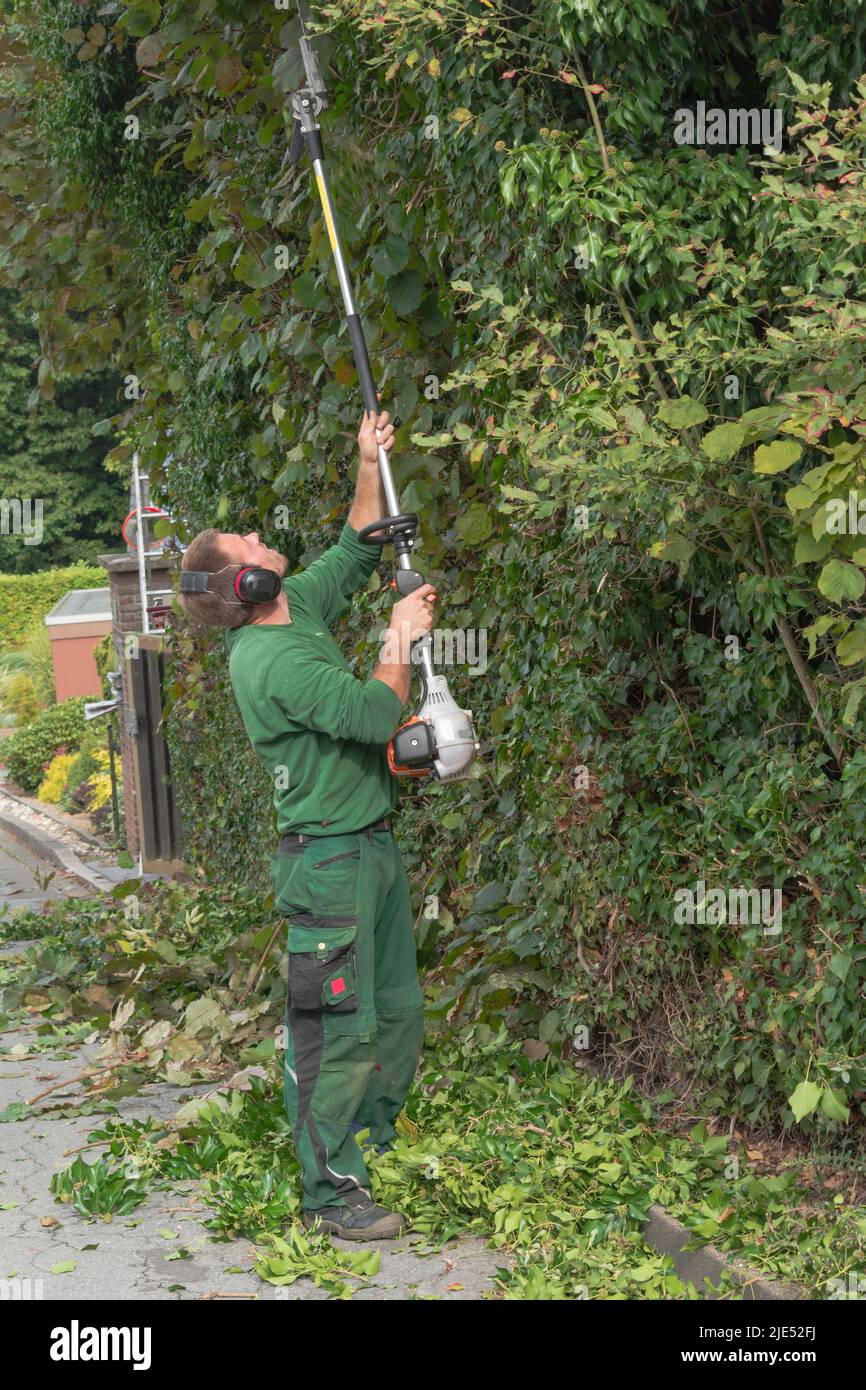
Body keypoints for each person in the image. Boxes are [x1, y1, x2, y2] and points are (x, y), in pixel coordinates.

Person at [177, 408, 437, 1239]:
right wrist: (400, 635)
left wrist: (369, 462)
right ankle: (330, 1194)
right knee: (336, 1028)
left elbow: (360, 544)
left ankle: (374, 1146)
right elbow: (371, 713)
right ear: (246, 586)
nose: (258, 536)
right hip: (325, 865)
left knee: (395, 1012)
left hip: (370, 846)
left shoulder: (299, 608)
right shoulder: (270, 659)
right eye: (246, 545)